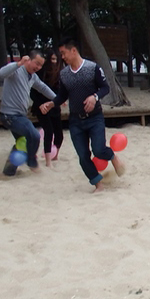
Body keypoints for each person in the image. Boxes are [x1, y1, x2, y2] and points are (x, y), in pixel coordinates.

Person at [40, 37, 125, 192]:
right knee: (83, 156)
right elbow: (62, 96)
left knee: (98, 150)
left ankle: (112, 156)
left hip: (95, 117)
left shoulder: (92, 68)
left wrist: (94, 97)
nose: (62, 57)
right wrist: (51, 103)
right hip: (75, 121)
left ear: (73, 50)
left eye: (63, 53)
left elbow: (105, 88)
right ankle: (98, 185)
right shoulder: (64, 74)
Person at [0, 50, 57, 176]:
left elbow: (42, 87)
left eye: (41, 65)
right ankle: (31, 162)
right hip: (10, 115)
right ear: (28, 60)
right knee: (34, 136)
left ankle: (9, 171)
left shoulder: (33, 76)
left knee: (22, 142)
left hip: (20, 115)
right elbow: (2, 73)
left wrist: (56, 99)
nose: (38, 67)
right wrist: (18, 64)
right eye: (37, 63)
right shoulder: (16, 70)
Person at [30, 49, 65, 166]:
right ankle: (48, 161)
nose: (54, 62)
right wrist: (39, 104)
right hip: (41, 107)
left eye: (56, 59)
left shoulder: (61, 74)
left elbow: (62, 91)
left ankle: (55, 156)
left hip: (54, 106)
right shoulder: (40, 73)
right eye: (52, 59)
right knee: (48, 131)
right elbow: (33, 92)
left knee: (59, 134)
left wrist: (60, 100)